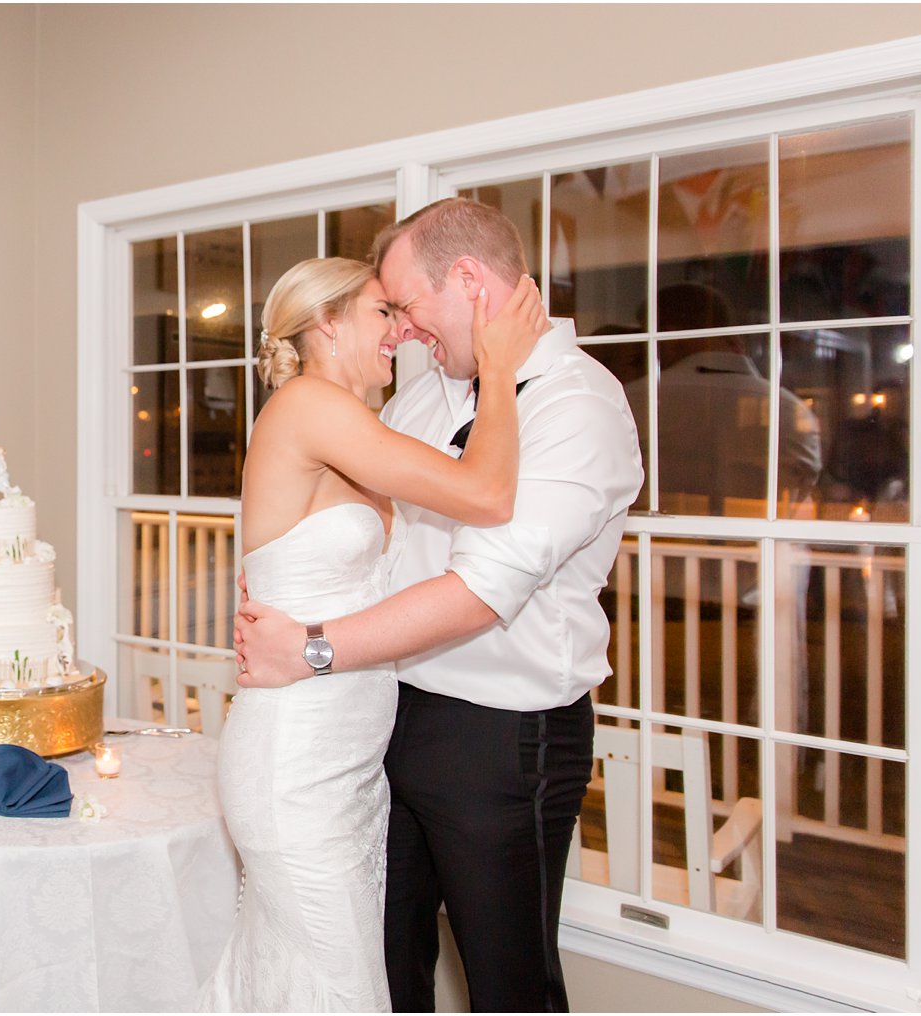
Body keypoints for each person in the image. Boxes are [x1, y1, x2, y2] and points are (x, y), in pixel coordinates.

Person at [234, 198, 644, 1012]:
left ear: (466, 280)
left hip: (501, 738)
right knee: (386, 969)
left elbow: (480, 589)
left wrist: (311, 644)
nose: (406, 330)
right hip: (385, 720)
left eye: (406, 306)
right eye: (383, 313)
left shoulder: (576, 405)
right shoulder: (423, 402)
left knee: (507, 983)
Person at [196, 256, 547, 1013]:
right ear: (326, 322)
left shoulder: (351, 419)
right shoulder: (306, 407)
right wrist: (499, 365)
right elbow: (486, 493)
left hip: (351, 765)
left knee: (302, 983)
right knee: (341, 990)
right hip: (296, 762)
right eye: (384, 312)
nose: (403, 331)